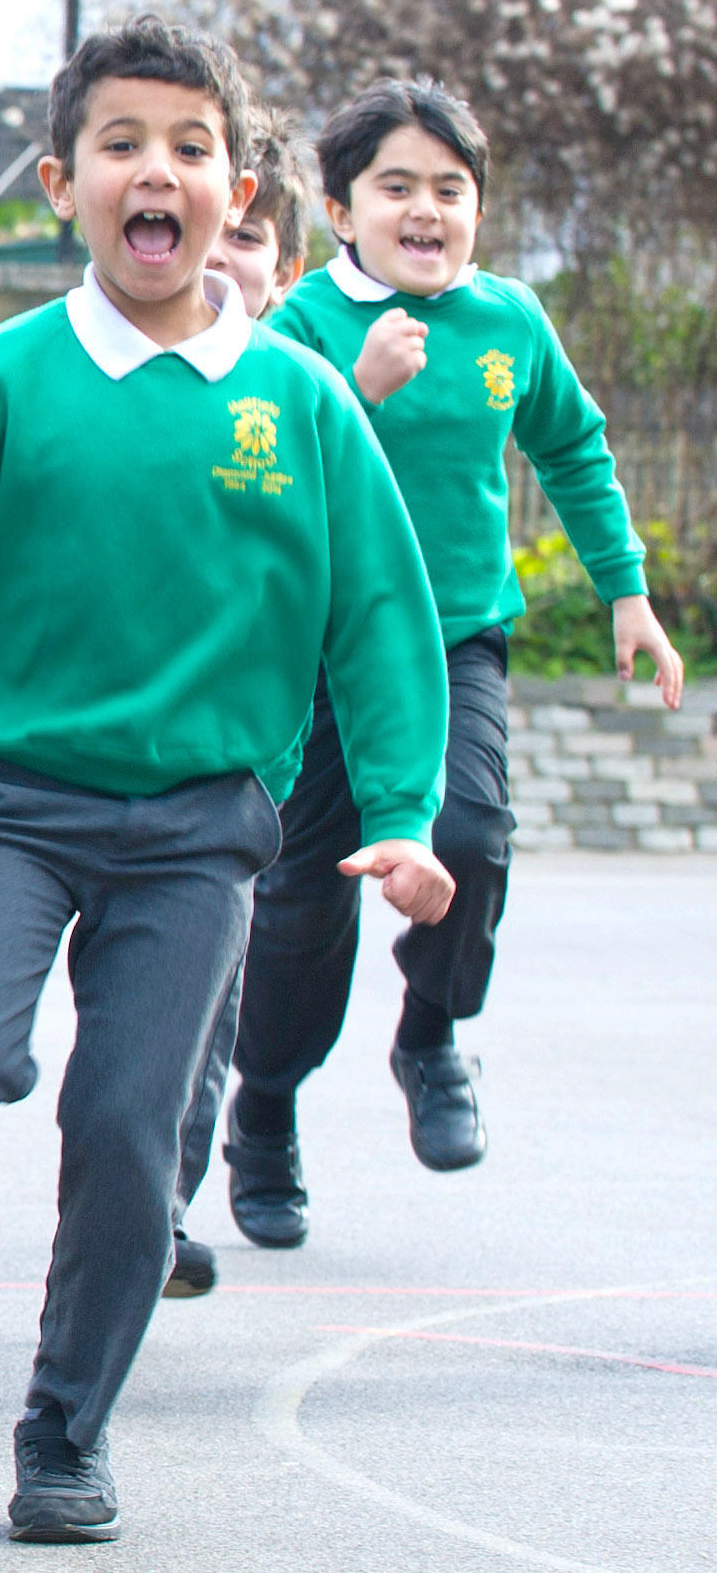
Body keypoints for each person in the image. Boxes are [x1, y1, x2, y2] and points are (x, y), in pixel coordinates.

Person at [0, 16, 453, 1545]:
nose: (157, 173)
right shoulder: (3, 376)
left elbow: (382, 618)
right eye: (122, 145)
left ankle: (61, 1431)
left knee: (130, 1137)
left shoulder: (300, 405)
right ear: (63, 180)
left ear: (237, 193)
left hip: (201, 834)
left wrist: (399, 813)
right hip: (14, 799)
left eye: (190, 149)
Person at [222, 77, 686, 1249]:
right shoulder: (301, 334)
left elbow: (573, 451)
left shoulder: (510, 321)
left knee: (469, 837)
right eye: (396, 188)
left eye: (450, 190)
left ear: (477, 208)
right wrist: (356, 392)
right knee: (300, 909)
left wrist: (627, 594)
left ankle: (429, 1032)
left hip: (455, 634)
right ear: (340, 208)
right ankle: (264, 1112)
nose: (425, 211)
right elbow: (256, 491)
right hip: (323, 654)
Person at [163, 109, 314, 1301]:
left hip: (231, 782)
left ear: (285, 267)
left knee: (195, 1011)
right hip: (73, 771)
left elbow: (372, 603)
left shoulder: (301, 404)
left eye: (250, 235)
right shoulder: (84, 374)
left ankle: (150, 1208)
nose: (223, 251)